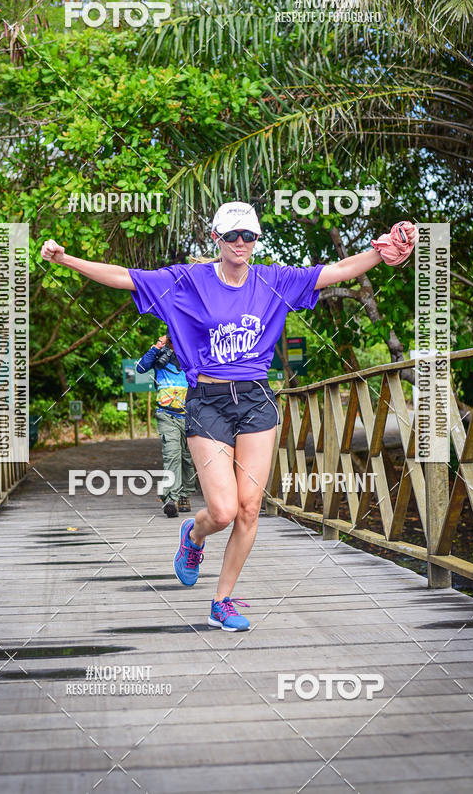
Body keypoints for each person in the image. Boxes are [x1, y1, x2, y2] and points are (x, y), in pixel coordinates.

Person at [41, 202, 417, 632]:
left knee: (249, 509)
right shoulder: (187, 280)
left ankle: (221, 601)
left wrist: (383, 249)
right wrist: (65, 259)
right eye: (232, 236)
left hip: (256, 399)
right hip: (207, 399)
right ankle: (194, 536)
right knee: (221, 511)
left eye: (249, 236)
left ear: (256, 241)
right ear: (216, 239)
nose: (241, 243)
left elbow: (334, 271)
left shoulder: (274, 280)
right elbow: (125, 276)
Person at [136, 332, 195, 517]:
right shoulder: (160, 358)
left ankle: (185, 494)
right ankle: (170, 498)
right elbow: (140, 368)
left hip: (190, 415)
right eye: (171, 340)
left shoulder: (191, 354)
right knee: (172, 455)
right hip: (166, 414)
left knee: (188, 457)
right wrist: (157, 346)